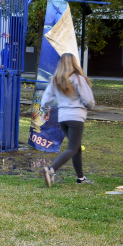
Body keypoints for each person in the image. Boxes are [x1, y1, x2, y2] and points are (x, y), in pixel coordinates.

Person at [40, 53, 95, 187]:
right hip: (76, 117)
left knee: (76, 147)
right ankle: (51, 170)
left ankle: (80, 178)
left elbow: (46, 99)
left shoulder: (55, 80)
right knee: (72, 148)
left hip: (63, 118)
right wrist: (90, 106)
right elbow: (88, 99)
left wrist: (45, 111)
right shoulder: (78, 78)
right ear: (74, 63)